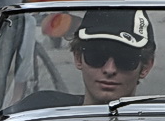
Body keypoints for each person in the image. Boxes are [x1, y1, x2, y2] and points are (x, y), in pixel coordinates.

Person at [8, 9, 156, 111]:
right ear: (78, 57)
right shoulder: (34, 110)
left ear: (145, 67)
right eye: (96, 56)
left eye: (125, 59)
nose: (109, 69)